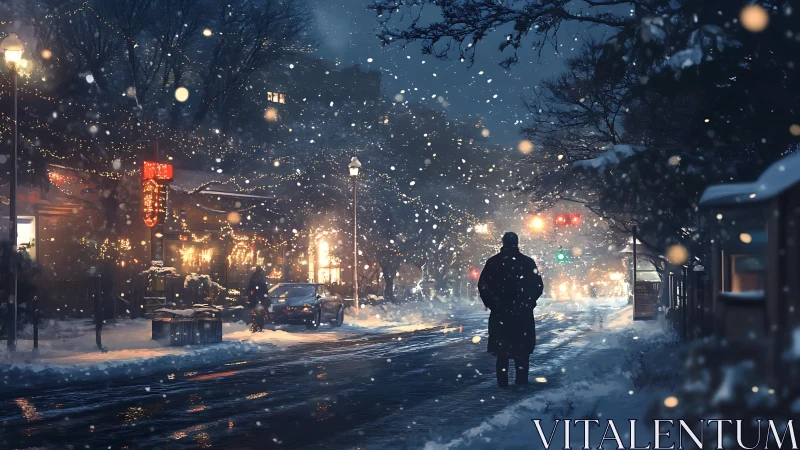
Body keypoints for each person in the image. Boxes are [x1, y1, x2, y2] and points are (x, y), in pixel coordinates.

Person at [478, 232, 544, 387]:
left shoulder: (493, 262)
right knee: (522, 351)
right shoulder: (527, 262)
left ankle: (502, 383)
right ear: (517, 242)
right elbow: (538, 285)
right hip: (522, 313)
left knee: (502, 351)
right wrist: (528, 302)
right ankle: (521, 382)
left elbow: (483, 285)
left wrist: (492, 303)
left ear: (503, 243)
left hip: (501, 312)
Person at [247, 266, 270, 332]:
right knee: (253, 306)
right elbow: (250, 286)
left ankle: (266, 313)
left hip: (261, 295)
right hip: (255, 296)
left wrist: (266, 293)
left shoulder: (261, 277)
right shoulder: (254, 277)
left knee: (265, 304)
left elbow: (264, 286)